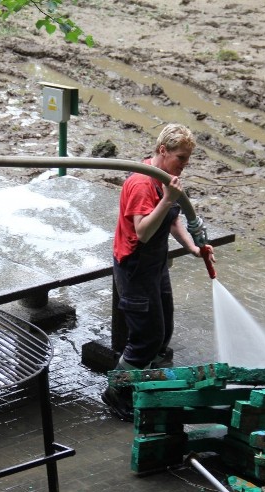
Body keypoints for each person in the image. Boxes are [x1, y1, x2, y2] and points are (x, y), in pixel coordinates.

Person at [102, 124, 214, 421]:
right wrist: (166, 198)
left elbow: (174, 218)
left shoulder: (167, 179)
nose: (184, 165)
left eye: (188, 160)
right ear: (162, 151)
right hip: (136, 267)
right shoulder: (142, 183)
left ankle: (144, 383)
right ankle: (116, 392)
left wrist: (193, 247)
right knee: (145, 338)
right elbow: (143, 232)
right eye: (180, 158)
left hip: (155, 266)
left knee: (162, 332)